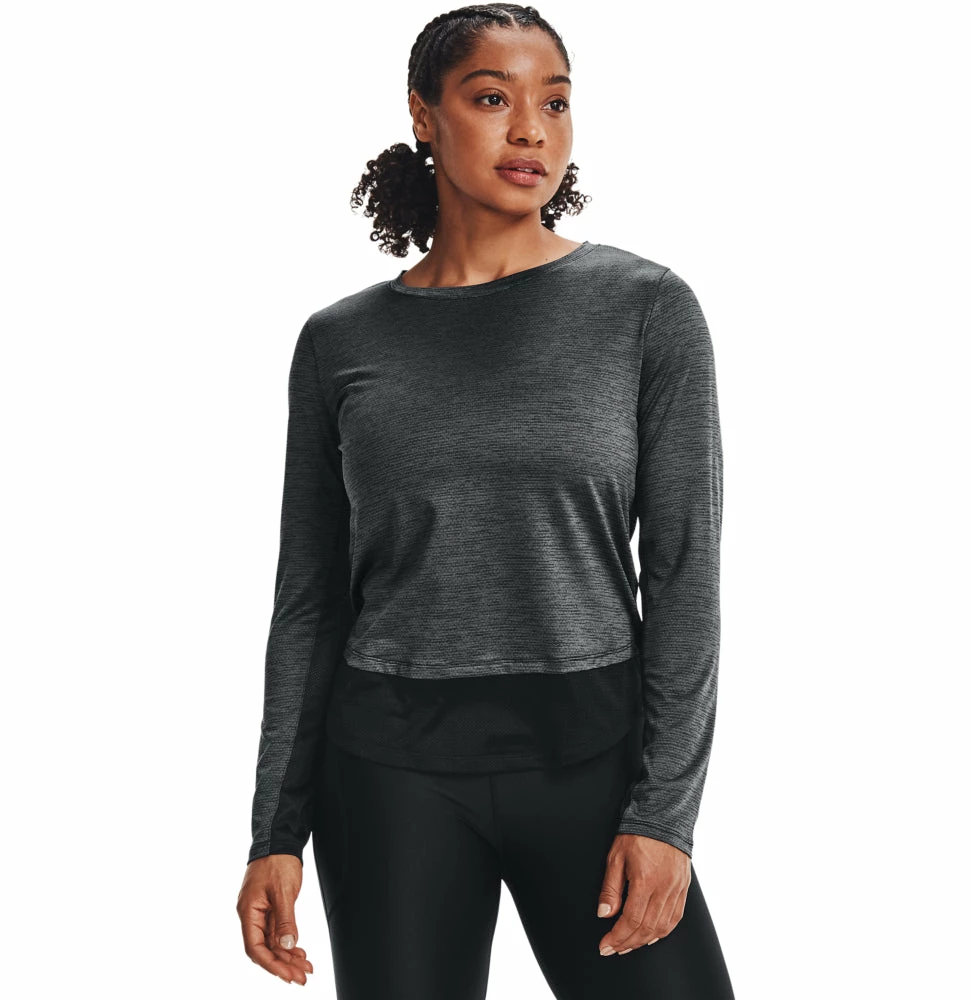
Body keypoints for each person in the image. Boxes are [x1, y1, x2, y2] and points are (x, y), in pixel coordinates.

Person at [236, 5, 735, 998]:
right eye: (492, 98)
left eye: (555, 102)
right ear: (424, 115)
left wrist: (664, 817)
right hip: (386, 773)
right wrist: (274, 832)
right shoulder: (340, 342)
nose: (530, 130)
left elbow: (684, 575)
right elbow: (309, 599)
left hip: (593, 758)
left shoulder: (646, 309)